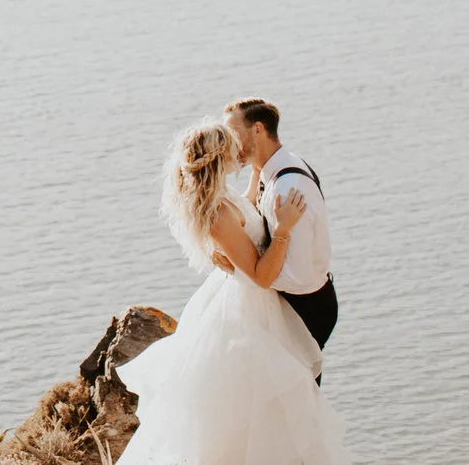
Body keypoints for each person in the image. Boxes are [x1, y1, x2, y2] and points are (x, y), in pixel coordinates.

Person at [118, 120, 348, 465]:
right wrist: (283, 229)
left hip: (252, 305)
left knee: (276, 405)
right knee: (259, 412)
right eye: (230, 147)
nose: (237, 151)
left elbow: (244, 212)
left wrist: (259, 170)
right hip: (251, 313)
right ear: (218, 157)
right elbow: (260, 275)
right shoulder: (218, 215)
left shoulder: (221, 197)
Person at [218, 98, 337, 366]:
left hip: (305, 307)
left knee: (295, 395)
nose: (227, 141)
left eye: (233, 131)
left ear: (257, 129)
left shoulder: (287, 190)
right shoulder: (272, 170)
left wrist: (240, 271)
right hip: (301, 301)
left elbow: (298, 275)